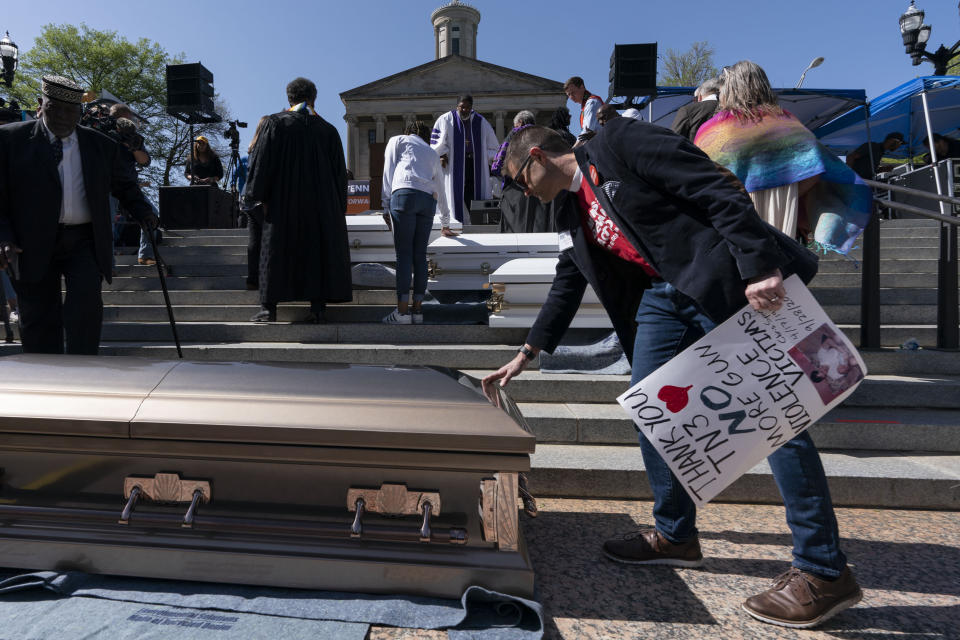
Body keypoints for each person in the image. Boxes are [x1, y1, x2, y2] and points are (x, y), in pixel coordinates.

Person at [481, 122, 861, 630]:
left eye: (519, 178)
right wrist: (528, 352)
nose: (522, 191)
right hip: (661, 301)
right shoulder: (570, 209)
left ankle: (823, 569)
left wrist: (759, 265)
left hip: (721, 280)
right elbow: (568, 281)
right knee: (652, 409)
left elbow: (714, 185)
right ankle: (676, 535)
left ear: (540, 157)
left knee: (777, 419)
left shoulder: (619, 144)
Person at [0, 75, 157, 354]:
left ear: (80, 112)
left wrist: (144, 211)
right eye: (54, 108)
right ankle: (44, 383)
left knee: (85, 312)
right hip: (30, 243)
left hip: (83, 241)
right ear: (41, 104)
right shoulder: (11, 140)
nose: (62, 116)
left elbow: (125, 186)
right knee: (38, 319)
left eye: (70, 111)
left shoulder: (101, 146)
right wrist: (3, 237)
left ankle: (83, 376)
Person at [696, 61, 872, 253]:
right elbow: (815, 168)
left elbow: (701, 177)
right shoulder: (785, 121)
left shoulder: (712, 129)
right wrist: (790, 195)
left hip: (732, 208)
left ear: (728, 90)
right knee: (779, 264)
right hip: (780, 206)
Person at [243, 77, 352, 323]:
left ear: (288, 98)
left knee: (275, 252)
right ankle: (317, 308)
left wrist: (256, 195)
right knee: (317, 252)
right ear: (314, 98)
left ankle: (269, 308)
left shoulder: (275, 124)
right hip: (320, 206)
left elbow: (262, 163)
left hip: (283, 203)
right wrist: (338, 206)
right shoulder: (328, 130)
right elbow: (339, 174)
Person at [380, 120, 447, 324]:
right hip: (427, 200)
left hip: (404, 194)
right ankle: (417, 310)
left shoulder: (398, 140)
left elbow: (388, 170)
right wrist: (446, 220)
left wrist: (385, 204)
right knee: (420, 255)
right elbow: (441, 186)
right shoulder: (431, 151)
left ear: (408, 131)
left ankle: (401, 312)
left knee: (404, 255)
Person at [430, 94, 499, 225]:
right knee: (455, 196)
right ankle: (454, 223)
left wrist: (488, 158)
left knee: (473, 195)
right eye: (462, 107)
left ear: (472, 107)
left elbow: (493, 146)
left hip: (474, 165)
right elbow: (436, 144)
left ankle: (476, 223)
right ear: (457, 106)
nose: (465, 110)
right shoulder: (445, 119)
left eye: (468, 107)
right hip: (453, 165)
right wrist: (442, 154)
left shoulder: (481, 122)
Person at [107, 103, 158, 267]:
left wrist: (133, 147)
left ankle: (145, 255)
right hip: (107, 184)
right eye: (125, 119)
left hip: (128, 185)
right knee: (107, 220)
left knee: (151, 214)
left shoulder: (133, 137)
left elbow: (145, 161)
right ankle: (109, 264)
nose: (128, 122)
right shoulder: (104, 133)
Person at [241, 117, 268, 291]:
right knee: (265, 240)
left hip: (248, 198)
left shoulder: (252, 147)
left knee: (254, 241)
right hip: (260, 199)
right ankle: (265, 277)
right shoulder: (265, 146)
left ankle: (252, 279)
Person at [670, 76, 721, 141]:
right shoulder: (733, 109)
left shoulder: (687, 110)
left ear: (699, 96)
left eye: (695, 99)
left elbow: (673, 140)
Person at [563, 76, 603, 146]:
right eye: (569, 95)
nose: (571, 97)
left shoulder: (591, 102)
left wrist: (573, 150)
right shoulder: (587, 104)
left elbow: (587, 131)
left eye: (573, 93)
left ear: (582, 87)